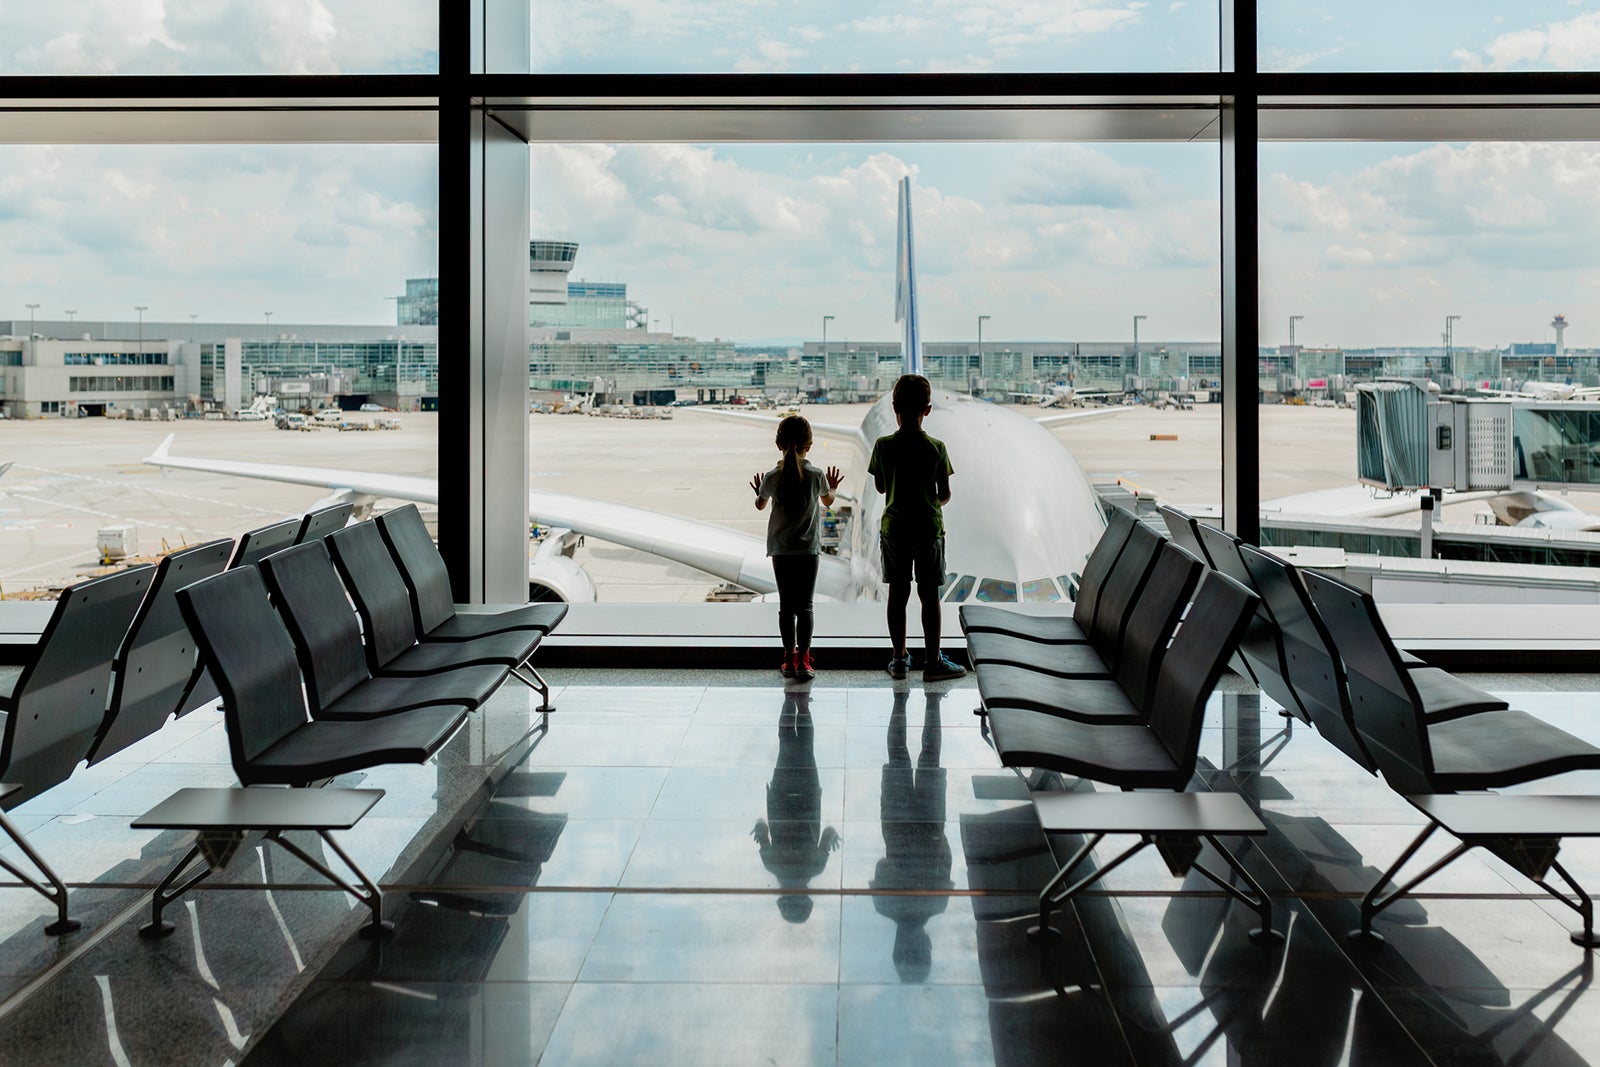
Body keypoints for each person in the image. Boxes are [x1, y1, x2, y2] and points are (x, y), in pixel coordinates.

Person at [868, 374, 965, 682]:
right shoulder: (937, 448)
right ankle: (933, 661)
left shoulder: (883, 446)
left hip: (895, 528)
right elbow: (945, 493)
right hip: (927, 529)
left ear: (894, 406)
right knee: (929, 597)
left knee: (898, 594)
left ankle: (898, 658)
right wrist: (931, 499)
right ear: (928, 409)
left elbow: (881, 487)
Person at [750, 414, 843, 681]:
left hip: (781, 550)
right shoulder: (816, 475)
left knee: (786, 608)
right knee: (806, 607)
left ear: (779, 444)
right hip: (808, 551)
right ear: (809, 446)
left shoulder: (771, 476)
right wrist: (833, 487)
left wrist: (759, 492)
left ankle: (788, 659)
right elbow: (828, 501)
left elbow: (760, 505)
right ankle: (804, 660)